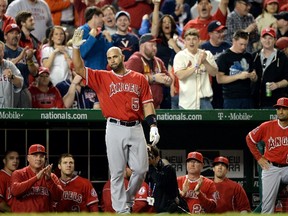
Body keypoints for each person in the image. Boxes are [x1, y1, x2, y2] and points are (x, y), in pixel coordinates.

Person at [71, 28, 160, 214]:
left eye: (115, 57)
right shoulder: (102, 77)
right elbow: (79, 68)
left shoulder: (139, 79)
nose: (112, 61)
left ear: (122, 57)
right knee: (118, 171)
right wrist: (76, 48)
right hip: (113, 127)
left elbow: (148, 104)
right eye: (109, 58)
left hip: (135, 126)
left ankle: (127, 198)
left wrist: (153, 125)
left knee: (142, 169)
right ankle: (122, 210)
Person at [246, 97, 288, 213]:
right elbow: (249, 138)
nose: (280, 111)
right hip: (272, 168)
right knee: (267, 208)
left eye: (284, 108)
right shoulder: (267, 126)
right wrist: (259, 158)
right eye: (278, 108)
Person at [173, 28, 218, 109]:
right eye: (188, 39)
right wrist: (197, 65)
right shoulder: (180, 56)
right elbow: (180, 75)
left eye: (194, 39)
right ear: (185, 42)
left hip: (205, 100)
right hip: (186, 102)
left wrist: (204, 62)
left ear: (199, 41)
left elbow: (214, 73)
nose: (191, 42)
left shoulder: (207, 54)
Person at [10, 144, 63, 212]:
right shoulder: (18, 173)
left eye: (41, 156)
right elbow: (15, 191)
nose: (38, 158)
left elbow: (58, 197)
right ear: (28, 158)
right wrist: (36, 178)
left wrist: (49, 180)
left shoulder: (51, 176)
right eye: (35, 155)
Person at [125, 33, 172, 109]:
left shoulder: (158, 61)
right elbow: (129, 80)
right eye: (151, 45)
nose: (155, 48)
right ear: (142, 46)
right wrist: (153, 78)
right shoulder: (135, 59)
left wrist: (167, 80)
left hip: (156, 107)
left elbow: (169, 80)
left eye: (155, 45)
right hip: (139, 107)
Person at [216, 29, 258, 109]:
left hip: (247, 97)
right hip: (231, 98)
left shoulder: (248, 56)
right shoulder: (224, 57)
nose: (243, 47)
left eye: (245, 44)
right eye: (241, 44)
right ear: (234, 41)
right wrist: (238, 76)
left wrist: (254, 77)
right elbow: (220, 79)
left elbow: (255, 77)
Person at [145, 145, 189, 213]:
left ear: (157, 158)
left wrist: (150, 166)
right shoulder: (147, 173)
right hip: (154, 211)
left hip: (169, 211)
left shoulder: (168, 169)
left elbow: (160, 181)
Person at [252, 27, 288, 108]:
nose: (267, 41)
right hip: (255, 101)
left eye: (270, 38)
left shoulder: (282, 57)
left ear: (275, 40)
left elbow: (287, 79)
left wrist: (277, 85)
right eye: (265, 38)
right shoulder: (254, 56)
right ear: (261, 39)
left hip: (274, 102)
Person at [4, 23, 38, 108]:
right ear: (5, 36)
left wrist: (29, 60)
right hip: (5, 90)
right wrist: (19, 58)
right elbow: (3, 68)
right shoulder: (1, 51)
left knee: (25, 118)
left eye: (17, 33)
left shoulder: (26, 52)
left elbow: (35, 73)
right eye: (12, 33)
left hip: (23, 89)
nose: (15, 35)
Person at [201, 20, 231, 109]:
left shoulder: (228, 47)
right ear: (210, 34)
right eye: (218, 32)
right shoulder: (203, 48)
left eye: (222, 31)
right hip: (209, 86)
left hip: (224, 87)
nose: (222, 34)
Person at [0, 41, 23, 108]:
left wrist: (12, 77)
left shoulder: (9, 65)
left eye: (1, 51)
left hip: (7, 110)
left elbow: (20, 83)